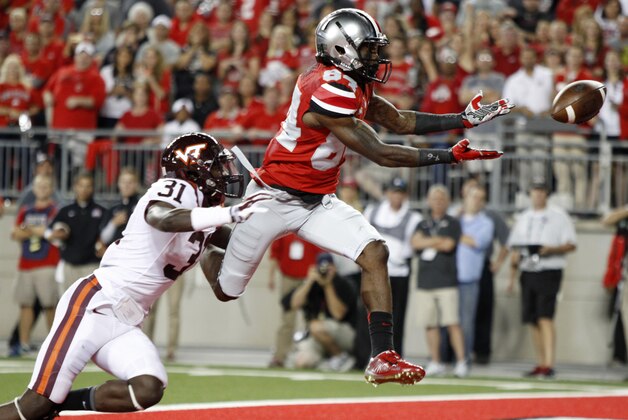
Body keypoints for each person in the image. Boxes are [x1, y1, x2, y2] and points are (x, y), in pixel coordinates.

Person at [204, 7, 513, 386]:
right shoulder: (327, 87)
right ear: (340, 49)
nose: (376, 57)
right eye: (368, 49)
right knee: (226, 291)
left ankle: (382, 356)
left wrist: (461, 120)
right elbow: (382, 153)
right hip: (272, 197)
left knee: (375, 252)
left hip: (316, 201)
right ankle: (205, 241)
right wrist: (448, 155)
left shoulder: (353, 83)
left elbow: (399, 120)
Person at [0, 132, 269, 419]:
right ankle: (47, 405)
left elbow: (234, 257)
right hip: (95, 305)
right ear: (195, 168)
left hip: (126, 321)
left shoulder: (205, 213)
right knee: (33, 405)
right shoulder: (177, 187)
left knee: (147, 388)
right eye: (216, 166)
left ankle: (58, 405)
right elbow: (161, 217)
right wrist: (229, 214)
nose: (223, 174)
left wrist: (276, 219)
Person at [507, 177, 577, 378]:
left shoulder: (558, 216)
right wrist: (512, 277)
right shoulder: (524, 217)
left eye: (541, 190)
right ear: (530, 194)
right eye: (534, 190)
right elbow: (515, 248)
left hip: (549, 269)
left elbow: (571, 244)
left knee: (545, 316)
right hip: (528, 269)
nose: (537, 194)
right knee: (532, 319)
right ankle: (540, 362)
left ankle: (549, 362)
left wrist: (551, 249)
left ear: (547, 193)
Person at [411, 185, 468, 378]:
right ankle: (436, 361)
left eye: (441, 199)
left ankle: (461, 362)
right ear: (429, 201)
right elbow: (415, 243)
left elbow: (449, 244)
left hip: (446, 280)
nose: (438, 202)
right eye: (434, 199)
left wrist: (428, 240)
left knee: (452, 323)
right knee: (430, 324)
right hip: (425, 281)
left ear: (448, 201)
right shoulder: (423, 223)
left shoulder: (453, 222)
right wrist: (436, 240)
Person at [363, 176, 422, 356]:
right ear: (387, 193)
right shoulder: (372, 211)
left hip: (398, 274)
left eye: (400, 193)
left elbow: (409, 248)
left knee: (395, 317)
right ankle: (368, 355)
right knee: (369, 315)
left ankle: (394, 356)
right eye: (394, 192)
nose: (396, 196)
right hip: (373, 272)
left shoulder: (413, 217)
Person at [10, 175, 60, 357]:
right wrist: (37, 231)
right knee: (25, 304)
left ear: (51, 188)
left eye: (46, 185)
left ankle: (54, 343)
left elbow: (54, 234)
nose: (42, 188)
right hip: (26, 263)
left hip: (47, 263)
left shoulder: (55, 209)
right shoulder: (25, 209)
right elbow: (15, 234)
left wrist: (31, 231)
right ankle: (23, 343)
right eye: (39, 185)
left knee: (50, 305)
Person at [282, 253, 358, 372]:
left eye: (328, 267)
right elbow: (293, 304)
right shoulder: (312, 285)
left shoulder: (343, 284)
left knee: (316, 327)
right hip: (317, 335)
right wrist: (309, 281)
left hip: (344, 334)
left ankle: (341, 357)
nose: (325, 271)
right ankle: (329, 363)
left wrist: (328, 285)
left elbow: (338, 314)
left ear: (334, 268)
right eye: (322, 268)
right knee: (302, 361)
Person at [45, 172, 107, 292]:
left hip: (92, 266)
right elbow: (50, 232)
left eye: (88, 186)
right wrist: (57, 234)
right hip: (70, 266)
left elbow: (108, 235)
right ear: (75, 187)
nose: (84, 189)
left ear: (93, 188)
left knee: (90, 305)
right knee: (69, 305)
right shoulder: (65, 211)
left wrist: (103, 244)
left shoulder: (101, 212)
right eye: (81, 185)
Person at [267, 233, 322, 368]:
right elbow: (274, 254)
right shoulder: (284, 230)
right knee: (287, 319)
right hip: (288, 277)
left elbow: (320, 253)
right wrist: (271, 276)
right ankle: (280, 356)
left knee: (311, 318)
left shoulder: (311, 229)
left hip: (308, 279)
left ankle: (312, 356)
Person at [456, 185, 494, 362]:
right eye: (474, 196)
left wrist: (452, 232)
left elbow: (477, 242)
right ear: (466, 197)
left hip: (469, 278)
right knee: (446, 321)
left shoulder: (486, 223)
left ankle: (465, 357)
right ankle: (444, 358)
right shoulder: (455, 217)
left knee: (466, 322)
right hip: (448, 276)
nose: (476, 201)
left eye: (480, 198)